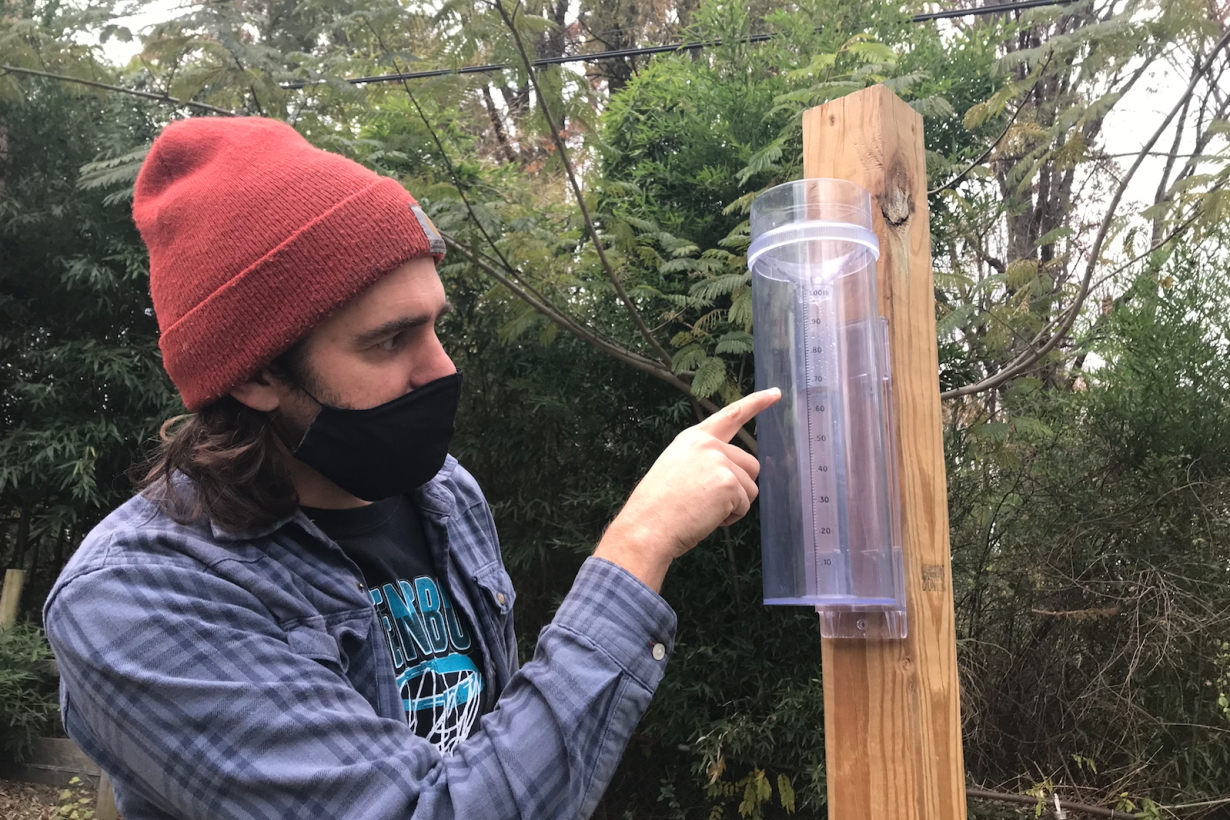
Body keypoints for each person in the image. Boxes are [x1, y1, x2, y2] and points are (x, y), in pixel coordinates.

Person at [42, 116, 778, 820]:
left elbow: (501, 752)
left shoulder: (443, 495)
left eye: (435, 325)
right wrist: (639, 546)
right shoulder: (139, 599)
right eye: (389, 340)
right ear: (255, 375)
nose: (442, 368)